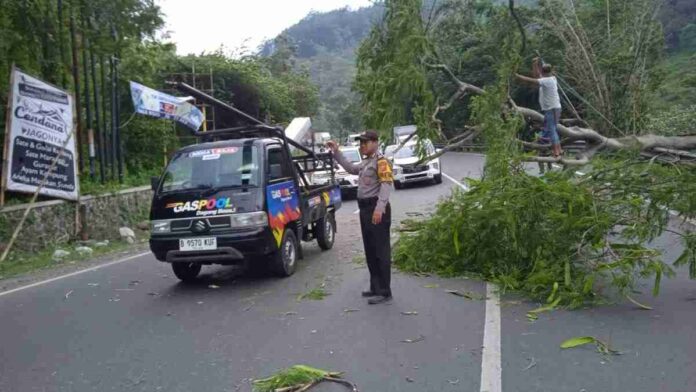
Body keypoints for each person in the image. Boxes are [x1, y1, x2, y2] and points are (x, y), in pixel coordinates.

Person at [326, 130, 393, 305]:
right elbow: (350, 168)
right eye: (361, 143)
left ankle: (385, 291)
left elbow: (386, 185)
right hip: (365, 210)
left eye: (365, 142)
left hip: (376, 208)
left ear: (375, 142)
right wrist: (336, 152)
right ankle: (375, 287)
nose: (362, 145)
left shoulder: (381, 162)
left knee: (381, 250)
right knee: (370, 250)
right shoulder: (366, 163)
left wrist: (380, 208)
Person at [516, 57, 563, 158]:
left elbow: (531, 79)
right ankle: (558, 149)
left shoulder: (547, 81)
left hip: (552, 109)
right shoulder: (552, 78)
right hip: (553, 108)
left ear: (543, 71)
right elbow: (536, 75)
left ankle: (556, 152)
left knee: (552, 130)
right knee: (552, 129)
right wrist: (535, 64)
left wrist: (517, 75)